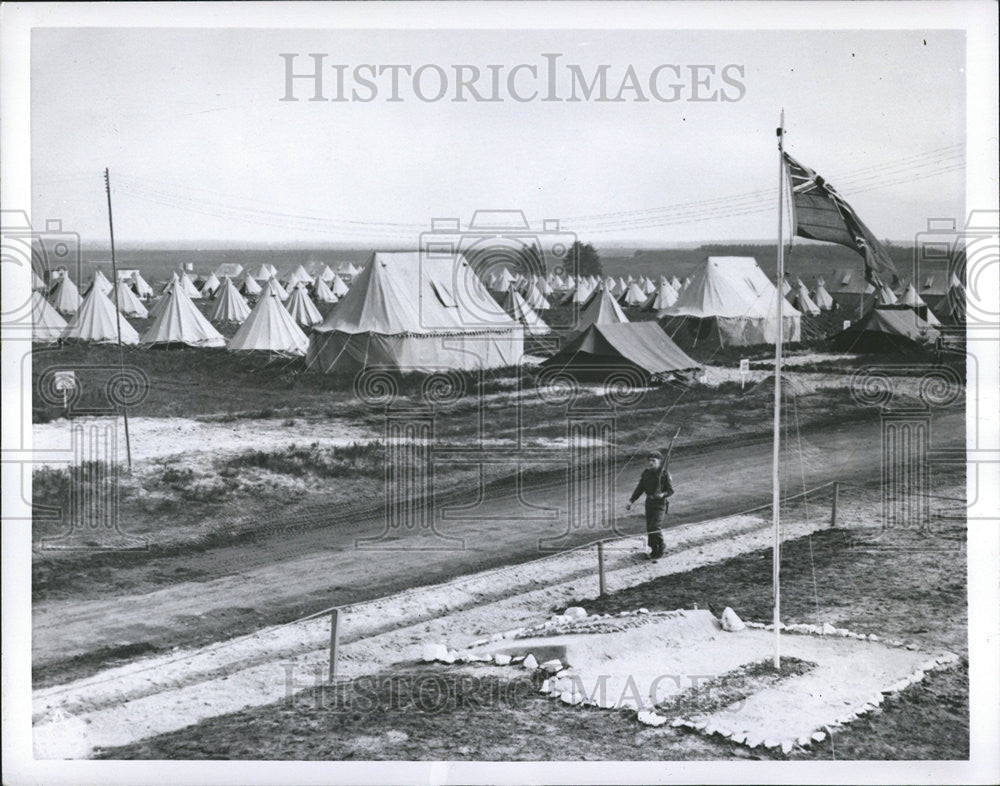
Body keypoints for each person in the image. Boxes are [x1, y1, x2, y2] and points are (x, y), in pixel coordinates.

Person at [625, 450, 673, 561]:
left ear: (659, 462)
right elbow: (640, 488)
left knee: (655, 526)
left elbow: (670, 491)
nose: (651, 463)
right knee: (649, 527)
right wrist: (631, 500)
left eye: (653, 460)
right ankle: (653, 548)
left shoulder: (664, 474)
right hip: (649, 503)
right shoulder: (646, 473)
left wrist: (662, 494)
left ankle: (661, 546)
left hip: (660, 504)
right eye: (649, 460)